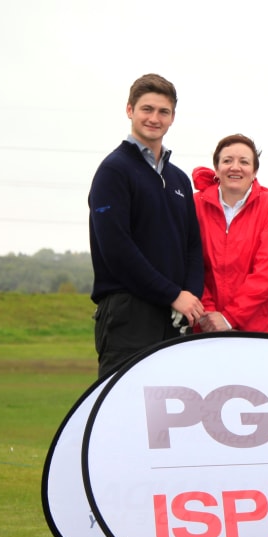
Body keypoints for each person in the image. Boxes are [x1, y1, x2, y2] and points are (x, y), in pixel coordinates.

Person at [88, 73, 204, 378]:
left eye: (163, 111)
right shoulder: (114, 171)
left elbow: (192, 244)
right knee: (124, 415)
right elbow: (117, 249)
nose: (154, 118)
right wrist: (172, 293)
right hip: (129, 315)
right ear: (130, 110)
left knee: (170, 418)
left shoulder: (179, 179)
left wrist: (189, 296)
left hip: (175, 315)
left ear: (172, 118)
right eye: (146, 109)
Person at [191, 134, 268, 333]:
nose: (235, 167)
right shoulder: (195, 205)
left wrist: (228, 318)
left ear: (254, 171)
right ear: (217, 169)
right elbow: (190, 265)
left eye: (244, 162)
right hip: (205, 328)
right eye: (227, 161)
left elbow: (267, 273)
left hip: (257, 329)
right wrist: (208, 315)